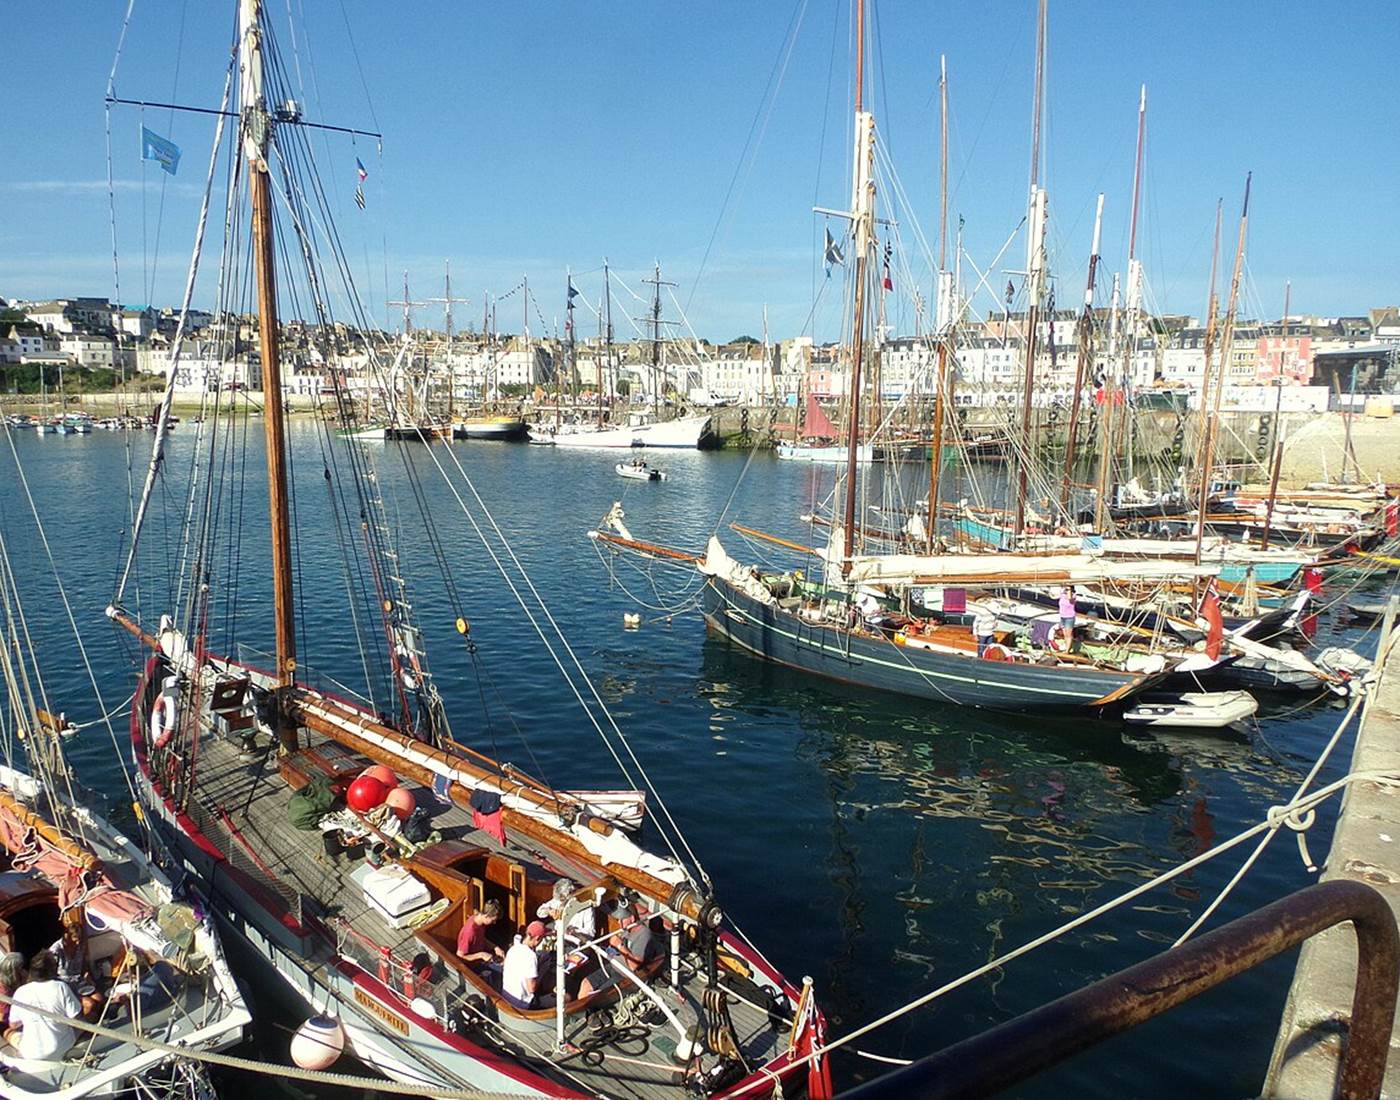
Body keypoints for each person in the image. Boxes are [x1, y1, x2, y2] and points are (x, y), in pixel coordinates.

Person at [5, 950, 81, 1063]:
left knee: (7, 1033)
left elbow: (13, 1024)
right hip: (62, 1048)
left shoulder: (20, 992)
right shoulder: (60, 987)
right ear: (53, 970)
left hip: (32, 1053)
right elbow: (76, 1019)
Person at [580, 898, 665, 995]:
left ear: (632, 918)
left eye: (622, 920)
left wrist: (619, 945)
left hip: (624, 975)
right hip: (613, 966)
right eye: (618, 920)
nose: (619, 923)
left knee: (595, 996)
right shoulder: (626, 930)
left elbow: (633, 966)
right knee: (586, 983)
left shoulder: (644, 935)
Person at [501, 920, 548, 1010]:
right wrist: (543, 972)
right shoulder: (531, 956)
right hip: (522, 1003)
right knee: (565, 998)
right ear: (537, 938)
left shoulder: (513, 949)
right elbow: (531, 988)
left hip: (507, 997)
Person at [456, 899, 505, 972]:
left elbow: (480, 938)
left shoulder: (479, 923)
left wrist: (495, 947)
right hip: (472, 966)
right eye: (493, 920)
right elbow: (460, 955)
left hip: (482, 956)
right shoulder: (469, 932)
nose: (494, 923)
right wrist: (481, 955)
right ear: (486, 916)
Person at [0, 953, 25, 1031]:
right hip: (8, 1024)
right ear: (15, 972)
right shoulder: (5, 991)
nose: (24, 970)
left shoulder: (20, 979)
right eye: (21, 968)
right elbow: (3, 1018)